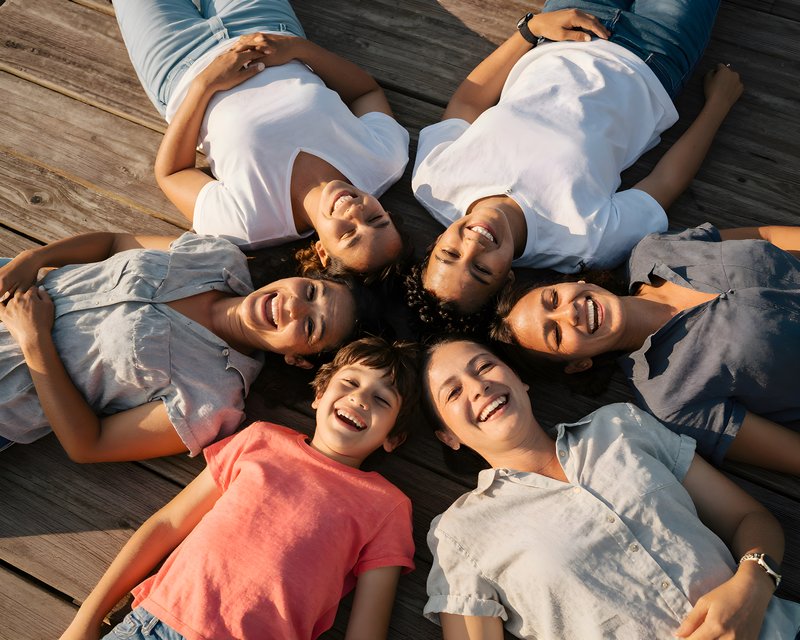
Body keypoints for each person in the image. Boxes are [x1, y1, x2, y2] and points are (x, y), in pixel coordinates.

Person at [421, 337, 800, 639]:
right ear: (448, 436)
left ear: (520, 379)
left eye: (484, 366)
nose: (478, 386)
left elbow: (748, 517)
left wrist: (752, 586)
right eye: (453, 393)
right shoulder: (460, 534)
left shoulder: (619, 425)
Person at [408, 0, 743, 327]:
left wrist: (529, 30)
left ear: (435, 244)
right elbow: (664, 183)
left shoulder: (433, 181)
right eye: (482, 270)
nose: (473, 247)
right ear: (507, 278)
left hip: (565, 25)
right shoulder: (584, 245)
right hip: (653, 56)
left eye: (449, 254)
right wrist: (718, 105)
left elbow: (468, 102)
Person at [60, 336, 419, 640]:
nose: (361, 400)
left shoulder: (387, 506)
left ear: (394, 438)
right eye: (351, 383)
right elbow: (167, 524)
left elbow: (367, 629)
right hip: (155, 626)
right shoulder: (260, 439)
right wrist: (86, 620)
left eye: (382, 400)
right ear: (319, 393)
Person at [0, 230, 365, 462]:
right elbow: (115, 244)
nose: (294, 306)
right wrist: (34, 258)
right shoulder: (218, 256)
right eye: (311, 291)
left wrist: (34, 341)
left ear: (299, 359)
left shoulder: (211, 401)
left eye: (311, 325)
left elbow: (89, 445)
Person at [113, 0, 409, 278]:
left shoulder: (247, 225)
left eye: (348, 234)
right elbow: (365, 92)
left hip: (177, 65)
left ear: (322, 251)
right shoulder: (384, 159)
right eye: (376, 220)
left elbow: (173, 174)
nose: (356, 212)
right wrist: (298, 49)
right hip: (264, 24)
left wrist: (205, 84)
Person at [492, 223, 800, 474]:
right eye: (556, 334)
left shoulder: (651, 251)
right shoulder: (670, 399)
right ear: (579, 363)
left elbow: (766, 236)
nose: (569, 312)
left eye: (553, 299)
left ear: (575, 282)